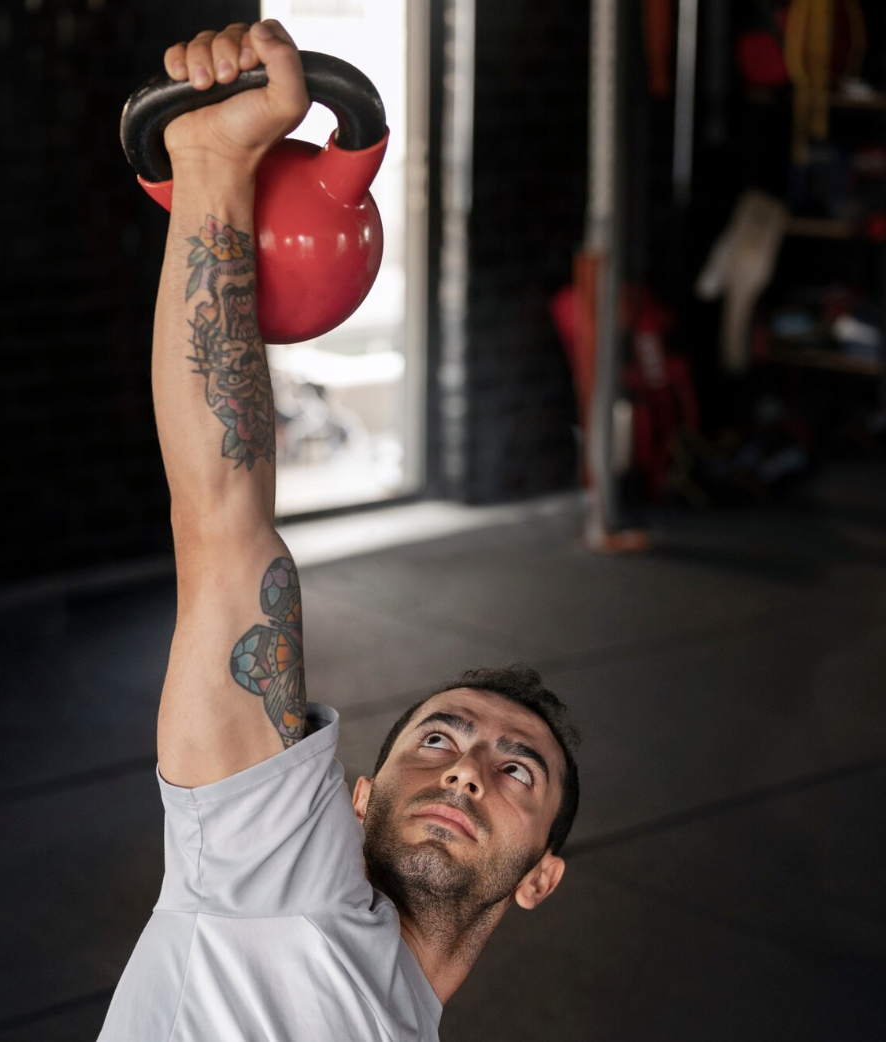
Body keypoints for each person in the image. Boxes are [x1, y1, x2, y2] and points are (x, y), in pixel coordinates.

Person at [97, 20, 579, 1042]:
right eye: (440, 737)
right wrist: (216, 165)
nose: (465, 768)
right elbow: (226, 530)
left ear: (540, 877)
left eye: (515, 770)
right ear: (354, 798)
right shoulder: (274, 883)